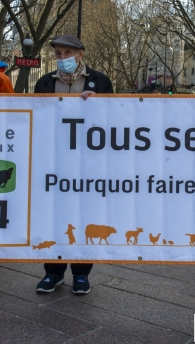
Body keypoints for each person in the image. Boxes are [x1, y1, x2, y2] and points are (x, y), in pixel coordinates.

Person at [33, 34, 113, 295]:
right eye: (58, 54)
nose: (62, 58)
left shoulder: (100, 81)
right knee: (53, 216)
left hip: (87, 164)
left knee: (84, 217)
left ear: (81, 54)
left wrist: (99, 104)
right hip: (53, 162)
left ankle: (81, 273)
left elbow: (114, 120)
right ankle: (52, 272)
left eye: (67, 53)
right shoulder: (45, 83)